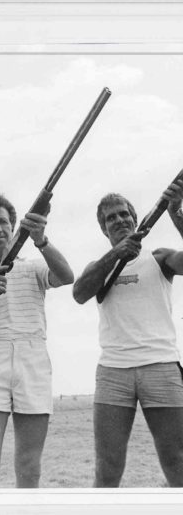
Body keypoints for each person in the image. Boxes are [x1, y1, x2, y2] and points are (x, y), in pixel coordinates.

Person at [0, 194, 74, 488]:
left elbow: (66, 276)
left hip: (32, 358)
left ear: (13, 227)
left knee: (29, 466)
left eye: (3, 222)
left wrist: (41, 240)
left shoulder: (33, 267)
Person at [72, 183, 183, 487]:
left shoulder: (159, 258)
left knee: (177, 460)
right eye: (111, 218)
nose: (119, 220)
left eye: (124, 214)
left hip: (161, 365)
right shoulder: (98, 267)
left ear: (135, 219)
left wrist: (176, 213)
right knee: (107, 467)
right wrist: (115, 255)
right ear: (103, 229)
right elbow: (79, 293)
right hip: (113, 371)